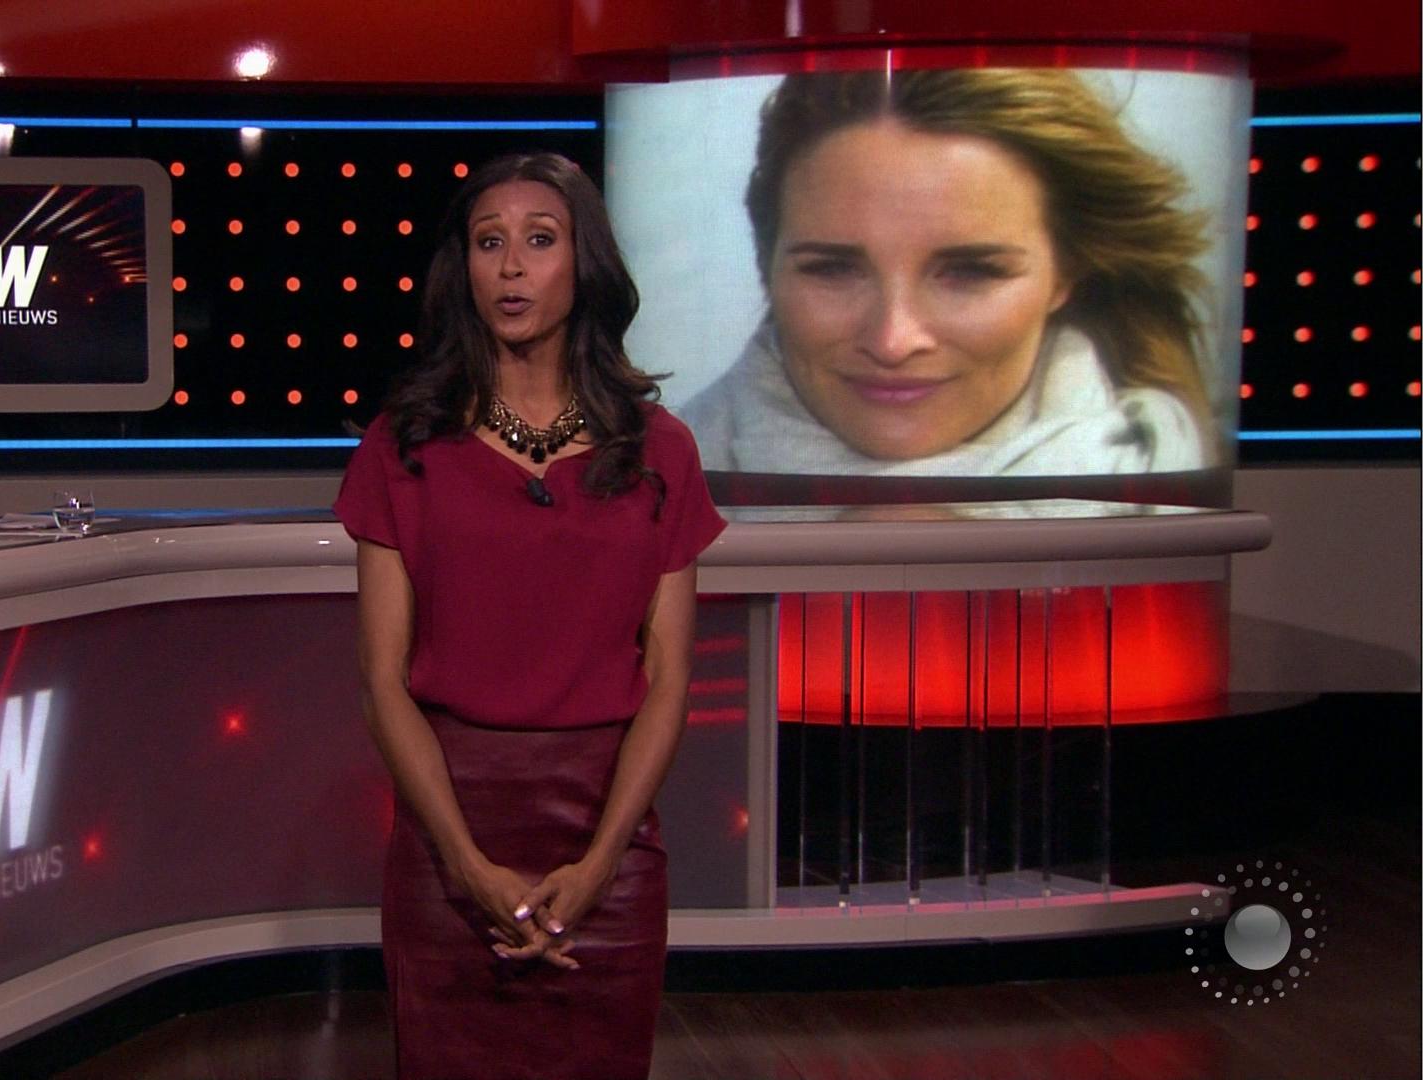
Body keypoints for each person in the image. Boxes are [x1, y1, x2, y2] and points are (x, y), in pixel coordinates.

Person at [334, 152, 726, 1080]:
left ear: (583, 263)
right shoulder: (405, 446)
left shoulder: (660, 452)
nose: (511, 266)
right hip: (449, 831)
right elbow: (382, 682)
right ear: (462, 268)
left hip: (607, 832)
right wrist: (469, 866)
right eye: (489, 243)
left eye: (539, 241)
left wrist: (598, 866)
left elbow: (668, 680)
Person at [682, 68, 1217, 476]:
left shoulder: (1169, 475)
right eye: (833, 269)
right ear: (768, 264)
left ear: (1066, 273)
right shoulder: (655, 476)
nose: (893, 342)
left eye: (969, 272)